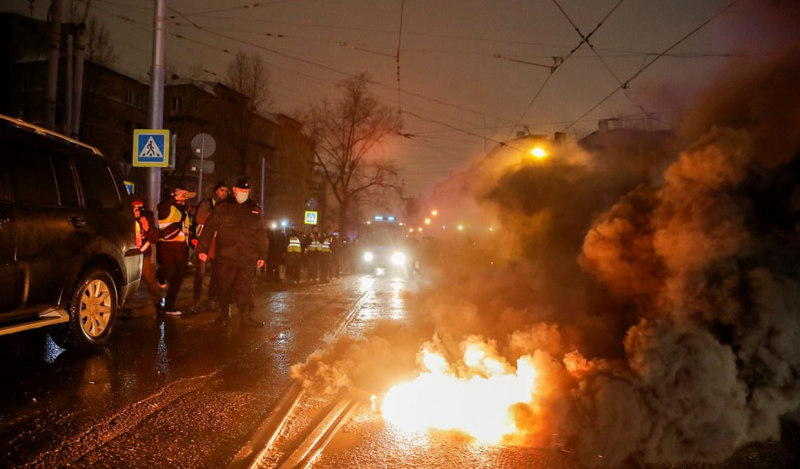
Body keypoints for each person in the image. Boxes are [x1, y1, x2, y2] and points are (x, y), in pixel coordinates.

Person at [197, 177, 268, 328]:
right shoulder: (223, 207)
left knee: (245, 288)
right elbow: (209, 229)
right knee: (223, 287)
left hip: (247, 257)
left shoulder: (254, 210)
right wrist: (202, 249)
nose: (243, 193)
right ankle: (224, 314)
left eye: (246, 191)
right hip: (226, 255)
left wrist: (262, 255)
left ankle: (246, 317)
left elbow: (261, 234)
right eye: (241, 190)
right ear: (234, 190)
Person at [191, 180, 229, 313]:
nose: (223, 193)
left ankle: (211, 300)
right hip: (205, 242)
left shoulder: (226, 206)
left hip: (217, 243)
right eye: (221, 190)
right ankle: (196, 300)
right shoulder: (208, 203)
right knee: (200, 273)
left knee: (216, 274)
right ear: (215, 191)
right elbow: (199, 219)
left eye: (225, 191)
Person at [157, 185, 195, 316]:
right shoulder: (167, 207)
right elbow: (161, 207)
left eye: (184, 195)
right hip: (168, 246)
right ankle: (160, 274)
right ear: (173, 194)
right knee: (169, 272)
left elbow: (187, 229)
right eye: (180, 194)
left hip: (181, 247)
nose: (183, 197)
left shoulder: (183, 211)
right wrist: (174, 198)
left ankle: (169, 306)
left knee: (178, 277)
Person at [131, 195, 163, 313]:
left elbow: (155, 238)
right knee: (130, 281)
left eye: (141, 208)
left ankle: (158, 303)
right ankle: (126, 306)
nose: (139, 211)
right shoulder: (126, 219)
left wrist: (147, 228)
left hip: (145, 254)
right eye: (136, 208)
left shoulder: (147, 219)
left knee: (150, 279)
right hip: (130, 254)